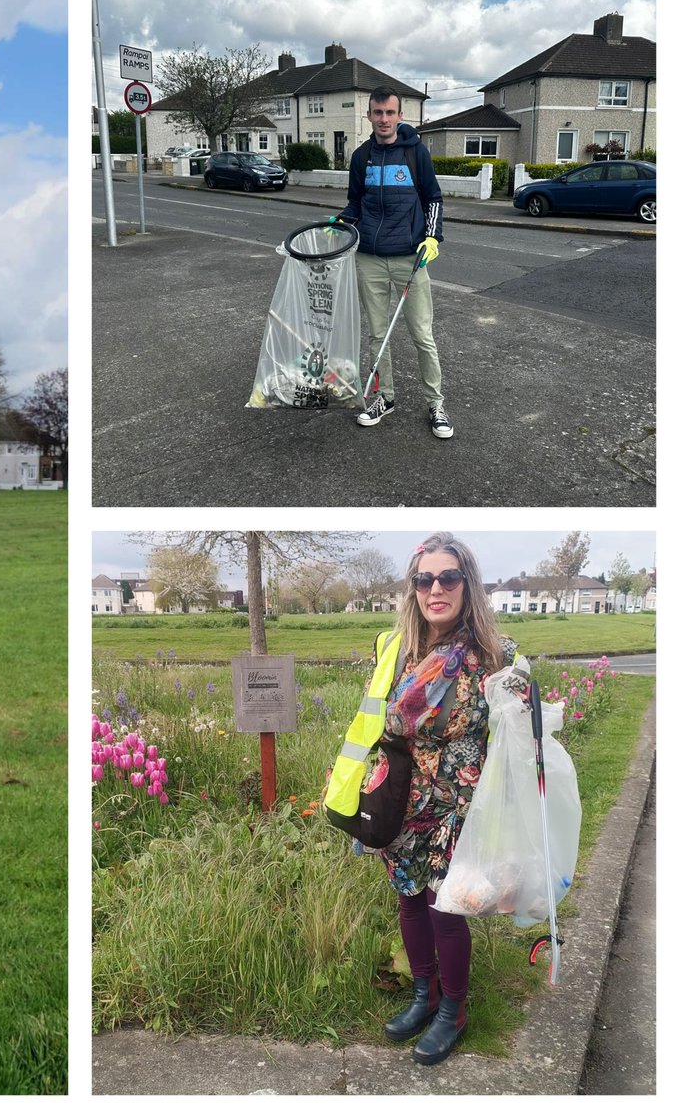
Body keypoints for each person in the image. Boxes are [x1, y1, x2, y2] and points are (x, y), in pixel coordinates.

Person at [364, 532, 519, 1065]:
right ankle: (423, 994)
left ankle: (454, 1009)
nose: (436, 588)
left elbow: (522, 733)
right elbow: (377, 721)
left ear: (466, 583)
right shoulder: (397, 650)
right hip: (404, 802)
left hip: (458, 806)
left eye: (447, 577)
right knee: (409, 900)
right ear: (413, 588)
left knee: (444, 907)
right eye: (424, 579)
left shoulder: (496, 657)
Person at [334, 88, 451, 438]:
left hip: (409, 259)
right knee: (377, 335)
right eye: (377, 112)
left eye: (389, 112)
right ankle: (384, 397)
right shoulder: (361, 156)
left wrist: (432, 237)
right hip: (369, 257)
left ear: (400, 116)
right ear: (368, 116)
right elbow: (355, 204)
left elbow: (433, 199)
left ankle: (435, 403)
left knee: (422, 336)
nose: (383, 119)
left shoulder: (416, 153)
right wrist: (338, 223)